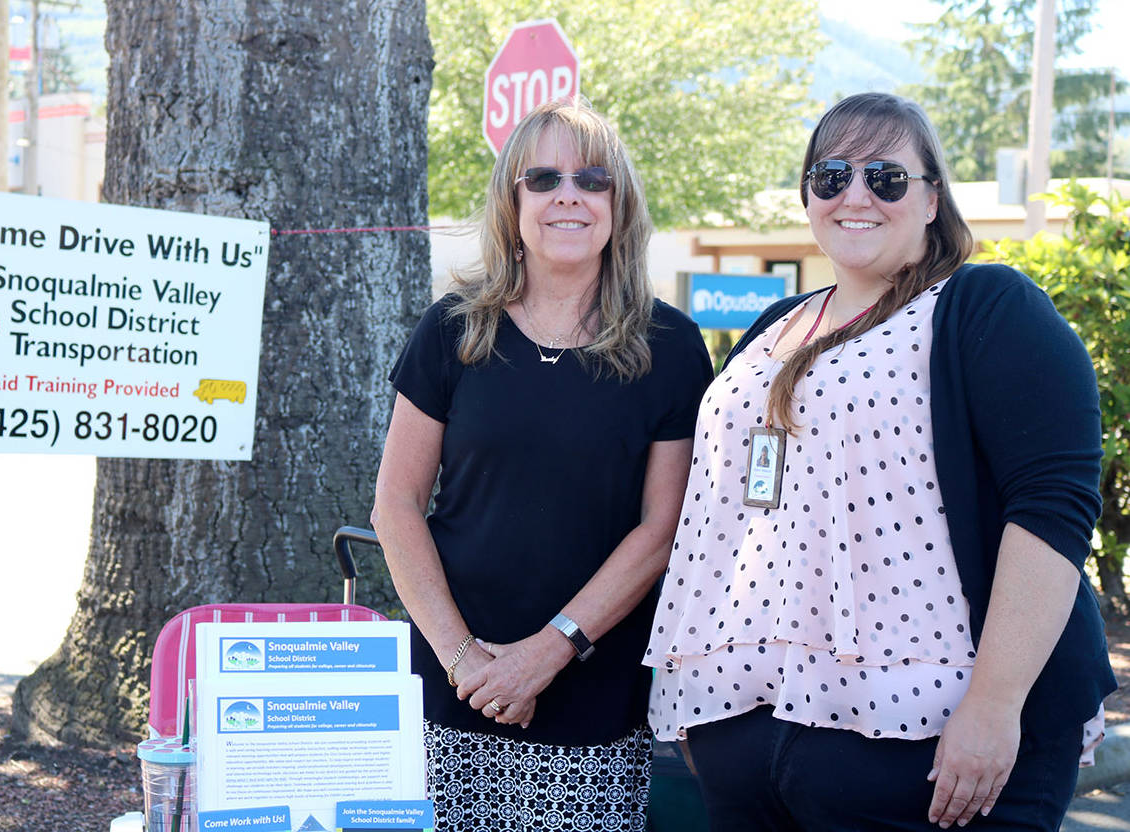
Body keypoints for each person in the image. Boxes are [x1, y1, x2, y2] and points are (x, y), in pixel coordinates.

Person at [645, 92, 1115, 831]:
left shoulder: (984, 306)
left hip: (935, 746)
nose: (856, 195)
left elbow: (1052, 507)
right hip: (748, 727)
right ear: (808, 195)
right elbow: (730, 516)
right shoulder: (772, 327)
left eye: (886, 177)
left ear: (932, 199)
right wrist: (702, 707)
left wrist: (994, 704)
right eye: (831, 176)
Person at [372, 99, 713, 832]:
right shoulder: (452, 329)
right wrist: (466, 661)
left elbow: (662, 529)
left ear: (618, 205)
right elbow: (395, 505)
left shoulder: (672, 347)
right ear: (512, 200)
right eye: (545, 178)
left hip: (593, 702)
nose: (569, 195)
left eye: (592, 179)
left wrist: (548, 652)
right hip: (448, 692)